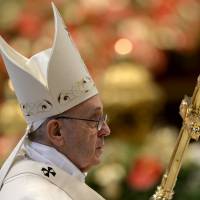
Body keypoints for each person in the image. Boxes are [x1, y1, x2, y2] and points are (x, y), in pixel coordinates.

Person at [0, 3, 110, 200]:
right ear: (56, 131)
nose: (106, 130)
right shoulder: (34, 195)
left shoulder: (47, 177)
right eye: (94, 120)